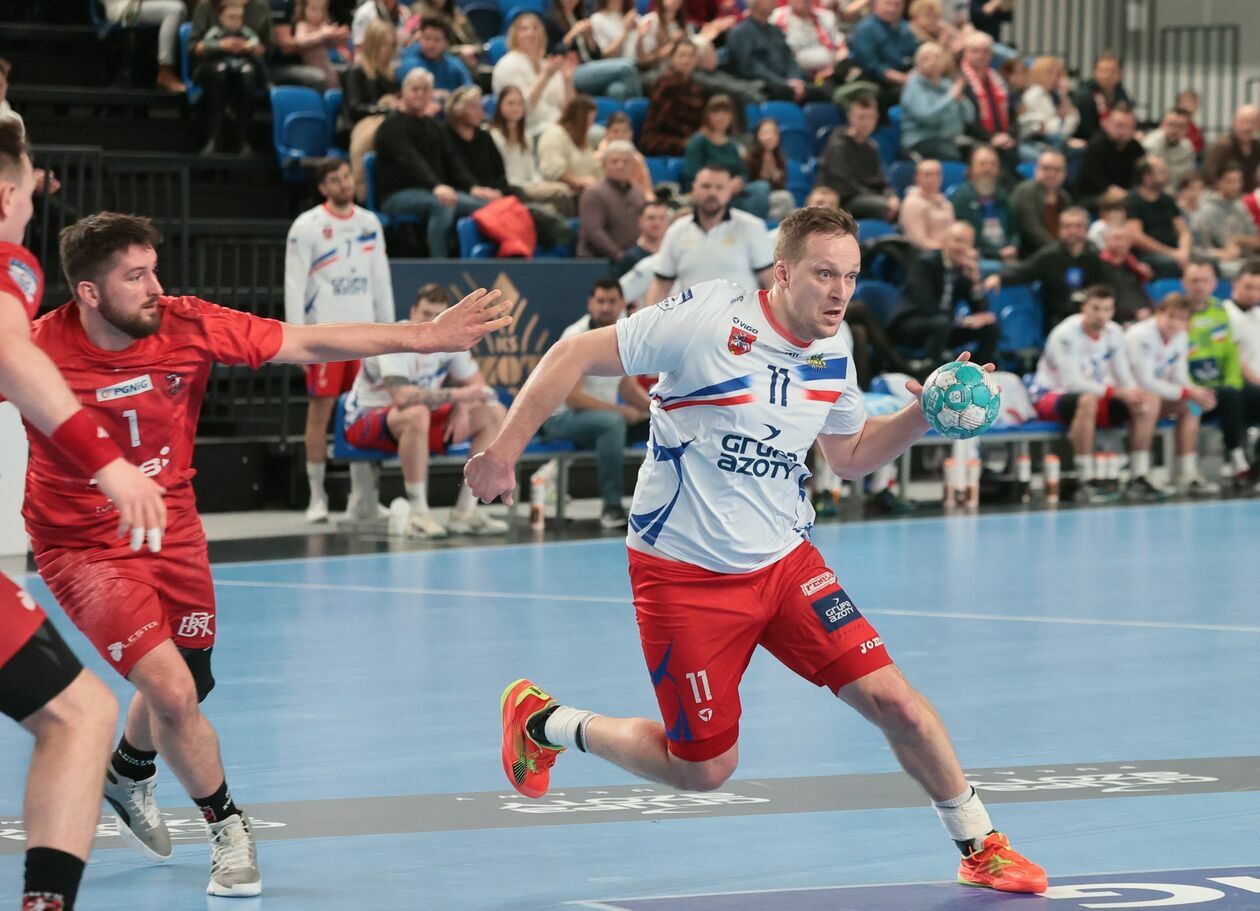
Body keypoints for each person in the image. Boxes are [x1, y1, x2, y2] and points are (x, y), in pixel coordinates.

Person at [465, 206, 1048, 896]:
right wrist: (503, 451)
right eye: (825, 274)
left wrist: (920, 415)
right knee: (704, 769)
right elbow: (571, 355)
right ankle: (545, 722)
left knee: (898, 703)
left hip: (785, 563)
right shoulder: (709, 317)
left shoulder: (835, 349)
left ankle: (980, 844)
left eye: (851, 276)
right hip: (683, 573)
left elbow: (851, 456)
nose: (840, 291)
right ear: (783, 272)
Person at [25, 211, 509, 899]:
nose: (156, 287)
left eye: (155, 269)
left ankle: (129, 771)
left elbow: (308, 341)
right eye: (135, 277)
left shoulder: (187, 323)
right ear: (89, 292)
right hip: (82, 546)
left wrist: (423, 336)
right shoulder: (36, 347)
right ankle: (228, 826)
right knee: (171, 692)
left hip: (171, 524)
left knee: (190, 682)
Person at [0, 118, 162, 911]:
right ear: (6, 196)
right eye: (32, 192)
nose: (35, 207)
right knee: (81, 714)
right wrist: (107, 462)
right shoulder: (10, 264)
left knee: (81, 711)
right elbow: (14, 355)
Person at [343, 283, 509, 536]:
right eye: (426, 313)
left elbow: (481, 389)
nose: (432, 321)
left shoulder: (451, 342)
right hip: (365, 422)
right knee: (417, 412)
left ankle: (466, 512)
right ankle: (419, 514)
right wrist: (458, 395)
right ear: (413, 312)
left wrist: (464, 406)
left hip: (415, 424)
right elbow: (402, 397)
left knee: (493, 413)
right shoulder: (396, 337)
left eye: (438, 315)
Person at [284, 158, 395, 523]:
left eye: (347, 176)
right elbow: (295, 284)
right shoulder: (307, 226)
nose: (345, 184)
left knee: (365, 412)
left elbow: (380, 279)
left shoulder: (370, 223)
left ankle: (363, 498)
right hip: (325, 337)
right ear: (323, 188)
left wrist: (389, 333)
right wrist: (295, 337)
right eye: (335, 179)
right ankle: (316, 498)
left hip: (364, 337)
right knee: (321, 413)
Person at [1030, 284, 1166, 502]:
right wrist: (1116, 392)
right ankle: (1085, 480)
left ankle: (1138, 476)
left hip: (1097, 396)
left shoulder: (1114, 332)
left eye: (1107, 309)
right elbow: (1072, 382)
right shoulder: (1065, 334)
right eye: (1095, 308)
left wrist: (1133, 394)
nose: (1101, 315)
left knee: (1149, 401)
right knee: (1087, 400)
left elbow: (1122, 372)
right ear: (1084, 308)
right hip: (1051, 396)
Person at [537, 279, 650, 528]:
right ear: (590, 304)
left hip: (604, 420)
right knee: (612, 423)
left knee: (661, 424)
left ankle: (661, 507)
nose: (606, 307)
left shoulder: (626, 332)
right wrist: (620, 411)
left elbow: (627, 386)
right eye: (600, 301)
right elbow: (573, 398)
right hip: (561, 419)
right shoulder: (575, 336)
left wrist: (657, 410)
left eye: (612, 301)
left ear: (622, 303)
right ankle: (611, 507)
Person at [374, 69, 501, 257]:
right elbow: (411, 161)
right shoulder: (391, 126)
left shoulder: (433, 126)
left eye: (425, 89)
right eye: (415, 89)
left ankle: (480, 260)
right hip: (397, 195)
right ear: (403, 92)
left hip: (433, 190)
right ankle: (439, 264)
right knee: (443, 204)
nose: (420, 94)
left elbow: (452, 159)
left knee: (487, 205)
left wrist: (472, 187)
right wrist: (436, 186)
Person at [1124, 294, 1219, 496]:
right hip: (1125, 397)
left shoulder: (1180, 337)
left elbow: (1180, 377)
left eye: (1182, 319)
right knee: (1150, 401)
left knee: (1193, 406)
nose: (1175, 323)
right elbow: (1145, 381)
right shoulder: (1140, 335)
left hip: (1157, 398)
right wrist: (1187, 391)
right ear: (1159, 314)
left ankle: (1186, 472)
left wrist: (1198, 394)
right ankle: (1138, 474)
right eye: (1171, 316)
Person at [647, 164, 774, 306]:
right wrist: (648, 317)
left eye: (719, 187)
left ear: (730, 191)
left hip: (741, 316)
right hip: (691, 317)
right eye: (706, 186)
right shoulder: (677, 230)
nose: (712, 193)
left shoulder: (751, 227)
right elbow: (661, 284)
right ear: (693, 189)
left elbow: (771, 281)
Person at [1181, 257, 1258, 484]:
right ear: (1184, 282)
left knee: (1234, 392)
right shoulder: (1176, 312)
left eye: (1204, 280)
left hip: (1220, 387)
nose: (1199, 286)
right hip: (1189, 392)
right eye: (1194, 281)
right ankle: (1235, 460)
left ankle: (1245, 462)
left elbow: (1230, 354)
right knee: (1227, 397)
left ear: (1214, 283)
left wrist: (1233, 381)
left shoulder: (1218, 311)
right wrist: (1191, 388)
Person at [890, 221, 999, 365]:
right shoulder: (924, 263)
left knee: (990, 327)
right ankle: (930, 372)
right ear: (945, 241)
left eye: (967, 243)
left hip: (944, 326)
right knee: (942, 323)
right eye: (957, 240)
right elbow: (926, 306)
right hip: (912, 324)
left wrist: (975, 279)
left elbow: (980, 311)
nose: (962, 247)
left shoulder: (962, 270)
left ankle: (974, 372)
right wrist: (963, 321)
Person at [999, 207, 1108, 335]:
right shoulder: (1049, 256)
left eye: (1078, 226)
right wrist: (999, 278)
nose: (1073, 231)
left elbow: (1106, 288)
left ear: (1086, 229)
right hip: (1058, 319)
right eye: (1068, 226)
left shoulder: (1096, 257)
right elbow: (1024, 271)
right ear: (1059, 230)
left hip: (1090, 317)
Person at [192, 1, 265, 155]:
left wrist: (248, 47)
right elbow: (196, 47)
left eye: (239, 17)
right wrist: (220, 45)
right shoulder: (206, 7)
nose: (236, 21)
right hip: (212, 62)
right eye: (231, 17)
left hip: (245, 62)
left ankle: (243, 139)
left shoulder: (259, 7)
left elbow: (265, 48)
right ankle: (213, 137)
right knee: (220, 71)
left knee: (247, 73)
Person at [489, 85, 576, 214]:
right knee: (560, 193)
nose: (515, 108)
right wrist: (532, 186)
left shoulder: (526, 136)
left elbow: (532, 170)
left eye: (519, 104)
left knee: (566, 190)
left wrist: (539, 183)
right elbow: (502, 174)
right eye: (510, 103)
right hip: (513, 186)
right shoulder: (495, 136)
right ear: (500, 106)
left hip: (529, 183)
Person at [491, 12, 576, 140]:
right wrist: (545, 76)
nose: (531, 33)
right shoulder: (507, 64)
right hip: (529, 131)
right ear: (514, 35)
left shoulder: (546, 64)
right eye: (524, 29)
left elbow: (570, 110)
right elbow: (520, 110)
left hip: (559, 126)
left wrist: (567, 80)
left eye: (535, 28)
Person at [683, 95, 770, 220]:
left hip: (733, 192)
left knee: (762, 188)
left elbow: (743, 173)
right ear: (707, 115)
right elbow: (692, 174)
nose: (721, 116)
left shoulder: (732, 145)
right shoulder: (698, 141)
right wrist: (721, 185)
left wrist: (739, 182)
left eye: (726, 112)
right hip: (712, 190)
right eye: (716, 112)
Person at [815, 93, 899, 221]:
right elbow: (844, 185)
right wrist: (877, 197)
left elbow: (882, 181)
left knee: (899, 205)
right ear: (850, 117)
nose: (866, 123)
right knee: (882, 206)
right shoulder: (838, 144)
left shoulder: (872, 146)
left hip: (868, 196)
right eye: (861, 117)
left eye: (870, 118)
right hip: (843, 200)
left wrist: (891, 196)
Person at [342, 19, 400, 201]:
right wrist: (383, 110)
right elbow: (354, 108)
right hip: (358, 126)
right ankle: (366, 194)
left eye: (391, 46)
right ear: (372, 44)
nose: (387, 50)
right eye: (383, 45)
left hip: (384, 123)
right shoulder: (356, 71)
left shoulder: (390, 74)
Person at [726, 0, 826, 103]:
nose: (774, 2)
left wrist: (795, 78)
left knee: (823, 90)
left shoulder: (775, 30)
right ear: (756, 3)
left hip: (789, 84)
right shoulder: (740, 34)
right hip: (765, 87)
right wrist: (784, 83)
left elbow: (790, 59)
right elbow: (751, 68)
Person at [544, 0, 643, 100]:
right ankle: (642, 108)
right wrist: (572, 34)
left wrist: (589, 37)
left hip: (589, 65)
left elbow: (597, 56)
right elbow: (552, 53)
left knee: (617, 90)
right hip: (570, 71)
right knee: (627, 66)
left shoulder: (579, 17)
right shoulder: (550, 20)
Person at [899, 41, 975, 161]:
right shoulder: (913, 87)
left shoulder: (947, 84)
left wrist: (963, 101)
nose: (932, 62)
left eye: (937, 58)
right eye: (926, 58)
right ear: (917, 63)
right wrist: (950, 97)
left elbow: (969, 117)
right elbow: (927, 117)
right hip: (922, 140)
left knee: (982, 153)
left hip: (951, 138)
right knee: (953, 156)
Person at [951, 144, 1017, 271]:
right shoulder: (961, 198)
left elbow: (1015, 230)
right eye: (982, 164)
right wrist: (997, 253)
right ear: (971, 169)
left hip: (1008, 256)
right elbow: (968, 238)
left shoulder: (1003, 196)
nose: (988, 169)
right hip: (977, 257)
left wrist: (1013, 246)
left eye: (993, 164)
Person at [1125, 154, 1193, 279]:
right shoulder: (1133, 201)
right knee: (1171, 264)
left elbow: (1183, 231)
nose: (1166, 175)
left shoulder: (1168, 200)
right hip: (1149, 254)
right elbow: (1137, 237)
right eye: (1161, 171)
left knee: (1208, 262)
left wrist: (1184, 251)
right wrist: (1171, 253)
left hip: (1176, 251)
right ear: (1147, 176)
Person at [958, 32, 1018, 169]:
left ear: (991, 55)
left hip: (1003, 139)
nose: (980, 55)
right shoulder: (959, 79)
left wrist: (1009, 135)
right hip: (974, 139)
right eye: (975, 51)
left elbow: (1011, 113)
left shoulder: (998, 79)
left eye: (985, 51)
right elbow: (966, 119)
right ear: (965, 53)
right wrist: (990, 138)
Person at [579, 140, 646, 260]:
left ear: (633, 166)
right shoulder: (593, 192)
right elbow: (593, 231)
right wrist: (619, 256)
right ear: (604, 165)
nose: (620, 166)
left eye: (626, 162)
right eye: (614, 161)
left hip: (633, 260)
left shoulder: (639, 193)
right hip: (598, 262)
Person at [638, 39, 706, 158]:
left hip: (691, 140)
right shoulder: (665, 85)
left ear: (696, 60)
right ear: (672, 59)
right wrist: (689, 140)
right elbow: (658, 127)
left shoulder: (696, 88)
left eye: (691, 56)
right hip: (664, 141)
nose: (686, 61)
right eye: (682, 55)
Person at [102, 0, 187, 92]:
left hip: (137, 4)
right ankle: (165, 72)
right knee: (175, 9)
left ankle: (190, 73)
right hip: (124, 6)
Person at [1192, 163, 1260, 279]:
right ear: (1219, 183)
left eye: (1238, 182)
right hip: (1219, 264)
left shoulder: (1241, 206)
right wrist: (1220, 253)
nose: (1235, 186)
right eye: (1230, 182)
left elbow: (1257, 240)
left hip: (1246, 260)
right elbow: (1199, 249)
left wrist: (1238, 240)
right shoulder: (1207, 211)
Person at [848, 0, 919, 109]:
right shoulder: (865, 29)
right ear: (876, 4)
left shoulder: (906, 27)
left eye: (897, 4)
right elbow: (872, 65)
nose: (892, 9)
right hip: (879, 82)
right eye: (888, 3)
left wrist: (917, 72)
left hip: (910, 75)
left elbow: (916, 54)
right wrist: (903, 79)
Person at [1072, 104, 1142, 210]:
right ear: (1108, 125)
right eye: (1119, 126)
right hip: (1092, 198)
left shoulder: (1136, 148)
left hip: (1126, 196)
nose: (1123, 131)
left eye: (1129, 127)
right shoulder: (1096, 147)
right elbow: (1096, 183)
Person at [538, 95, 602, 200]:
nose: (591, 125)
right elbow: (553, 170)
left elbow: (595, 169)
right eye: (590, 120)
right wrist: (577, 181)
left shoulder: (583, 139)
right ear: (580, 118)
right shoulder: (554, 135)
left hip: (589, 190)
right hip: (567, 192)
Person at [1009, 149, 1071, 258]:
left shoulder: (1064, 197)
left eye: (1057, 170)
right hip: (1030, 255)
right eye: (1046, 168)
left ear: (1064, 174)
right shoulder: (1026, 192)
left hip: (1056, 254)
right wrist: (1061, 252)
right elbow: (1032, 230)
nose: (1051, 174)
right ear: (1036, 169)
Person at [770, 0, 849, 83]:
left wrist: (836, 67)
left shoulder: (826, 16)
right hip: (798, 77)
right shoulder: (777, 17)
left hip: (832, 74)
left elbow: (842, 47)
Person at [399, 15, 473, 104]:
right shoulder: (407, 63)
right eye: (427, 38)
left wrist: (450, 96)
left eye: (437, 40)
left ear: (446, 43)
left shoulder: (455, 65)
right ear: (420, 38)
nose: (431, 44)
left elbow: (470, 92)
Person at [1017, 56, 1080, 158]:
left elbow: (1073, 122)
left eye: (1057, 74)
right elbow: (1053, 129)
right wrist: (1064, 122)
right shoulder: (1035, 94)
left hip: (1053, 141)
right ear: (1038, 73)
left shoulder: (1054, 95)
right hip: (1033, 142)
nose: (1054, 77)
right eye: (1050, 73)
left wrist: (1064, 96)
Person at [1097, 222, 1155, 325]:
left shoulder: (1133, 265)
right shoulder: (1098, 264)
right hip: (1116, 320)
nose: (1122, 242)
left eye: (1126, 239)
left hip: (1142, 316)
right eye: (1117, 238)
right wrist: (1134, 313)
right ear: (1106, 240)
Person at [744, 119, 799, 223]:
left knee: (791, 207)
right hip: (754, 202)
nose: (769, 137)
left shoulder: (780, 159)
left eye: (773, 132)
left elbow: (781, 187)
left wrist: (775, 177)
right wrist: (763, 173)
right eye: (765, 133)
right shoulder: (749, 158)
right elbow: (749, 187)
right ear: (757, 136)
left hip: (774, 201)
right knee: (786, 198)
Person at [1071, 50, 1134, 142]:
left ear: (1120, 73)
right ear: (1095, 72)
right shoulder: (1084, 96)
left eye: (1112, 71)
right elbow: (1087, 131)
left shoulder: (1121, 94)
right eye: (1103, 71)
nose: (1107, 75)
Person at [292, 0, 351, 89]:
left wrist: (339, 36)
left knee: (345, 74)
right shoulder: (303, 25)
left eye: (321, 10)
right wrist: (322, 34)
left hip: (328, 68)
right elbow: (300, 41)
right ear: (303, 9)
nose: (318, 14)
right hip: (312, 70)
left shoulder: (323, 26)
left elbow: (332, 45)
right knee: (322, 79)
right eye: (313, 9)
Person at [898, 158, 955, 250]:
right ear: (917, 178)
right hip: (926, 254)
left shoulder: (946, 203)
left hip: (948, 251)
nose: (933, 179)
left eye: (937, 174)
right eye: (928, 175)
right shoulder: (912, 203)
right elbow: (918, 241)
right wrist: (945, 250)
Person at [1202, 104, 1260, 194]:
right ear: (1234, 123)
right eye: (1243, 122)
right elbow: (1209, 177)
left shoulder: (1257, 147)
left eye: (1253, 122)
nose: (1247, 127)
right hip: (1223, 197)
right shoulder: (1221, 147)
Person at [1140, 107, 1196, 187]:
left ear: (1187, 129)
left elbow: (1186, 178)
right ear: (1162, 125)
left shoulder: (1188, 149)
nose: (1174, 130)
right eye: (1171, 125)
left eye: (1180, 126)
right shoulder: (1150, 144)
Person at [615, 199, 671, 278]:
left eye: (662, 218)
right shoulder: (630, 258)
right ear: (640, 220)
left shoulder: (673, 255)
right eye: (651, 218)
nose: (657, 223)